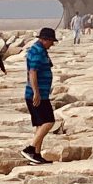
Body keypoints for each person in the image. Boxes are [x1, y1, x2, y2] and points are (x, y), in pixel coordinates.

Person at [22, 27, 58, 165]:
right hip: (37, 95)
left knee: (40, 124)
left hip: (40, 93)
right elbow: (33, 72)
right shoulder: (37, 51)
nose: (52, 44)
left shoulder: (40, 50)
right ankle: (30, 149)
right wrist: (36, 92)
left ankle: (36, 156)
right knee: (49, 121)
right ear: (44, 40)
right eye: (51, 41)